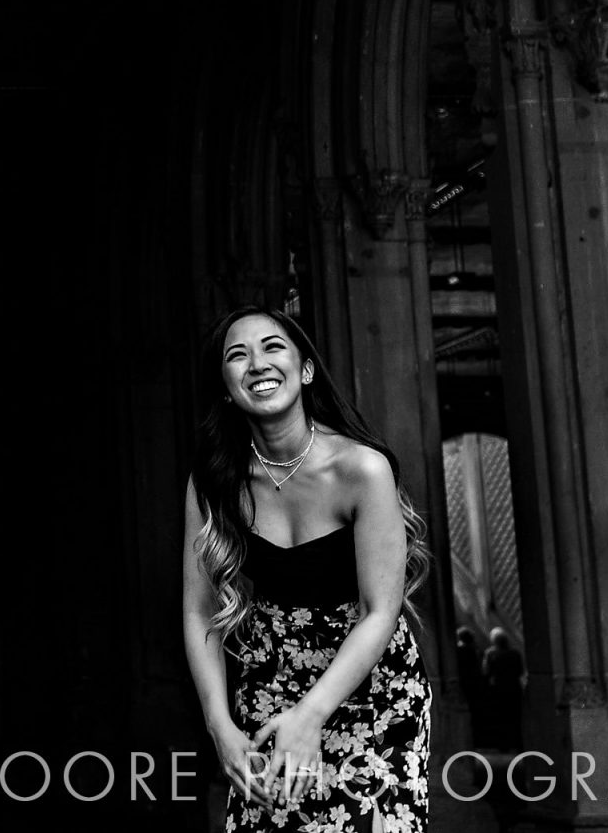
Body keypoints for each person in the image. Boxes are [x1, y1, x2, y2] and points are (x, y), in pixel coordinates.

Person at [180, 305, 432, 833]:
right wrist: (219, 723)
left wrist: (311, 716)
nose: (257, 364)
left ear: (306, 369)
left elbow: (380, 610)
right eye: (237, 355)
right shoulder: (214, 481)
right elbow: (200, 609)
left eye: (273, 347)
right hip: (271, 683)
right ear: (227, 387)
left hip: (371, 691)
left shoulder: (361, 468)